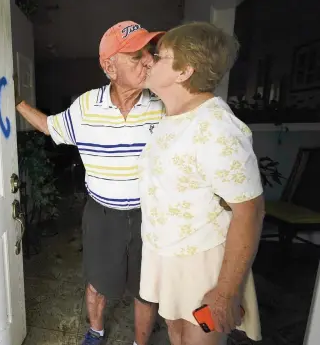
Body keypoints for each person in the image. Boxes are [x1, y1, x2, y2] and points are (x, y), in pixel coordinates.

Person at [15, 21, 164, 345]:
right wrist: (17, 102)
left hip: (150, 216)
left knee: (147, 287)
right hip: (102, 215)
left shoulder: (163, 104)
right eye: (137, 55)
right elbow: (48, 126)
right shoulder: (85, 107)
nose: (149, 61)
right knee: (97, 282)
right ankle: (95, 333)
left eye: (149, 53)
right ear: (109, 67)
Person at [138, 21, 264, 345]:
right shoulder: (169, 118)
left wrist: (225, 291)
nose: (149, 60)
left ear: (184, 72)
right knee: (176, 334)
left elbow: (249, 212)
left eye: (160, 56)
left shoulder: (217, 128)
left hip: (203, 260)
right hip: (167, 253)